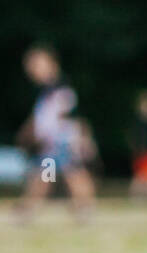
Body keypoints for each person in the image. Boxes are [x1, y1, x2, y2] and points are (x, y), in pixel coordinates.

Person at [14, 44, 95, 222]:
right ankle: (29, 209)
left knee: (73, 173)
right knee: (47, 175)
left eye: (36, 65)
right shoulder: (46, 89)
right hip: (52, 143)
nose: (32, 70)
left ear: (50, 64)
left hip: (62, 141)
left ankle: (84, 209)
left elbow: (66, 112)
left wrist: (79, 139)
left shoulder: (58, 85)